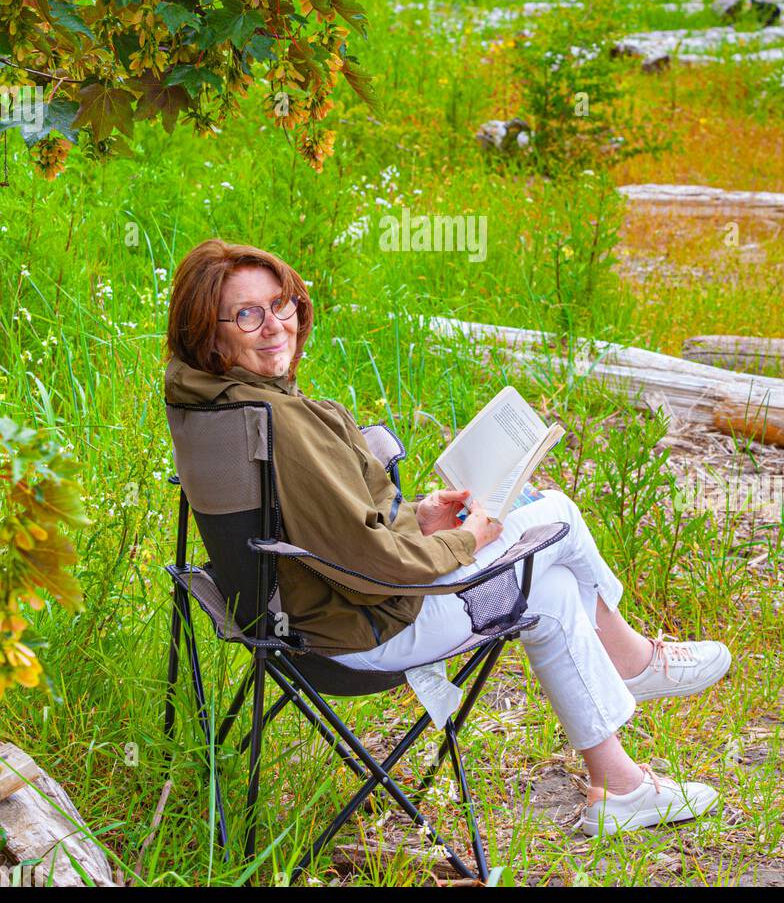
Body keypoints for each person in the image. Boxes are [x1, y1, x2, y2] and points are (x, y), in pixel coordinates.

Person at [165, 239, 731, 837]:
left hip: (292, 615)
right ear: (211, 335)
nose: (274, 325)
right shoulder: (278, 423)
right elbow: (370, 563)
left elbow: (326, 530)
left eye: (280, 304)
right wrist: (468, 541)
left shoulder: (216, 407)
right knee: (553, 515)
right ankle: (637, 663)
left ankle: (620, 787)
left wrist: (420, 519)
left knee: (552, 589)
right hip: (356, 630)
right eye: (247, 314)